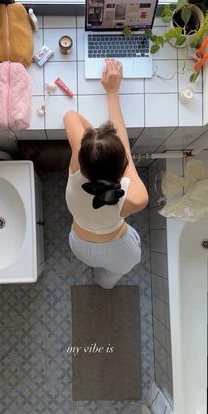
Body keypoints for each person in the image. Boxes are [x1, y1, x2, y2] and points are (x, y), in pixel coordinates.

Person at [64, 58, 148, 289]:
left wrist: (95, 143)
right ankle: (106, 285)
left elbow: (70, 115)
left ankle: (99, 274)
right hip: (118, 248)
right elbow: (127, 155)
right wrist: (113, 93)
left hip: (79, 244)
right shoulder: (136, 198)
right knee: (113, 276)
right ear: (123, 167)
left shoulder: (76, 166)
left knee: (94, 260)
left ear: (82, 157)